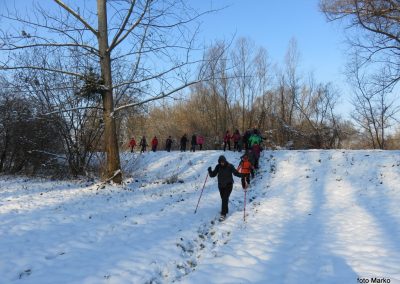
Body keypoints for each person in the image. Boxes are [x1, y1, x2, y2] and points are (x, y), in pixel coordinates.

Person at [208, 155, 243, 221]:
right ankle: (225, 210)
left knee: (224, 198)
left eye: (223, 162)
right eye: (221, 162)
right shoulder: (218, 167)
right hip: (221, 185)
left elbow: (235, 173)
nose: (222, 163)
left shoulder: (230, 166)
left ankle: (223, 214)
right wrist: (210, 171)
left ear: (225, 160)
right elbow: (213, 175)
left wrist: (242, 176)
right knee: (223, 199)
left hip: (228, 185)